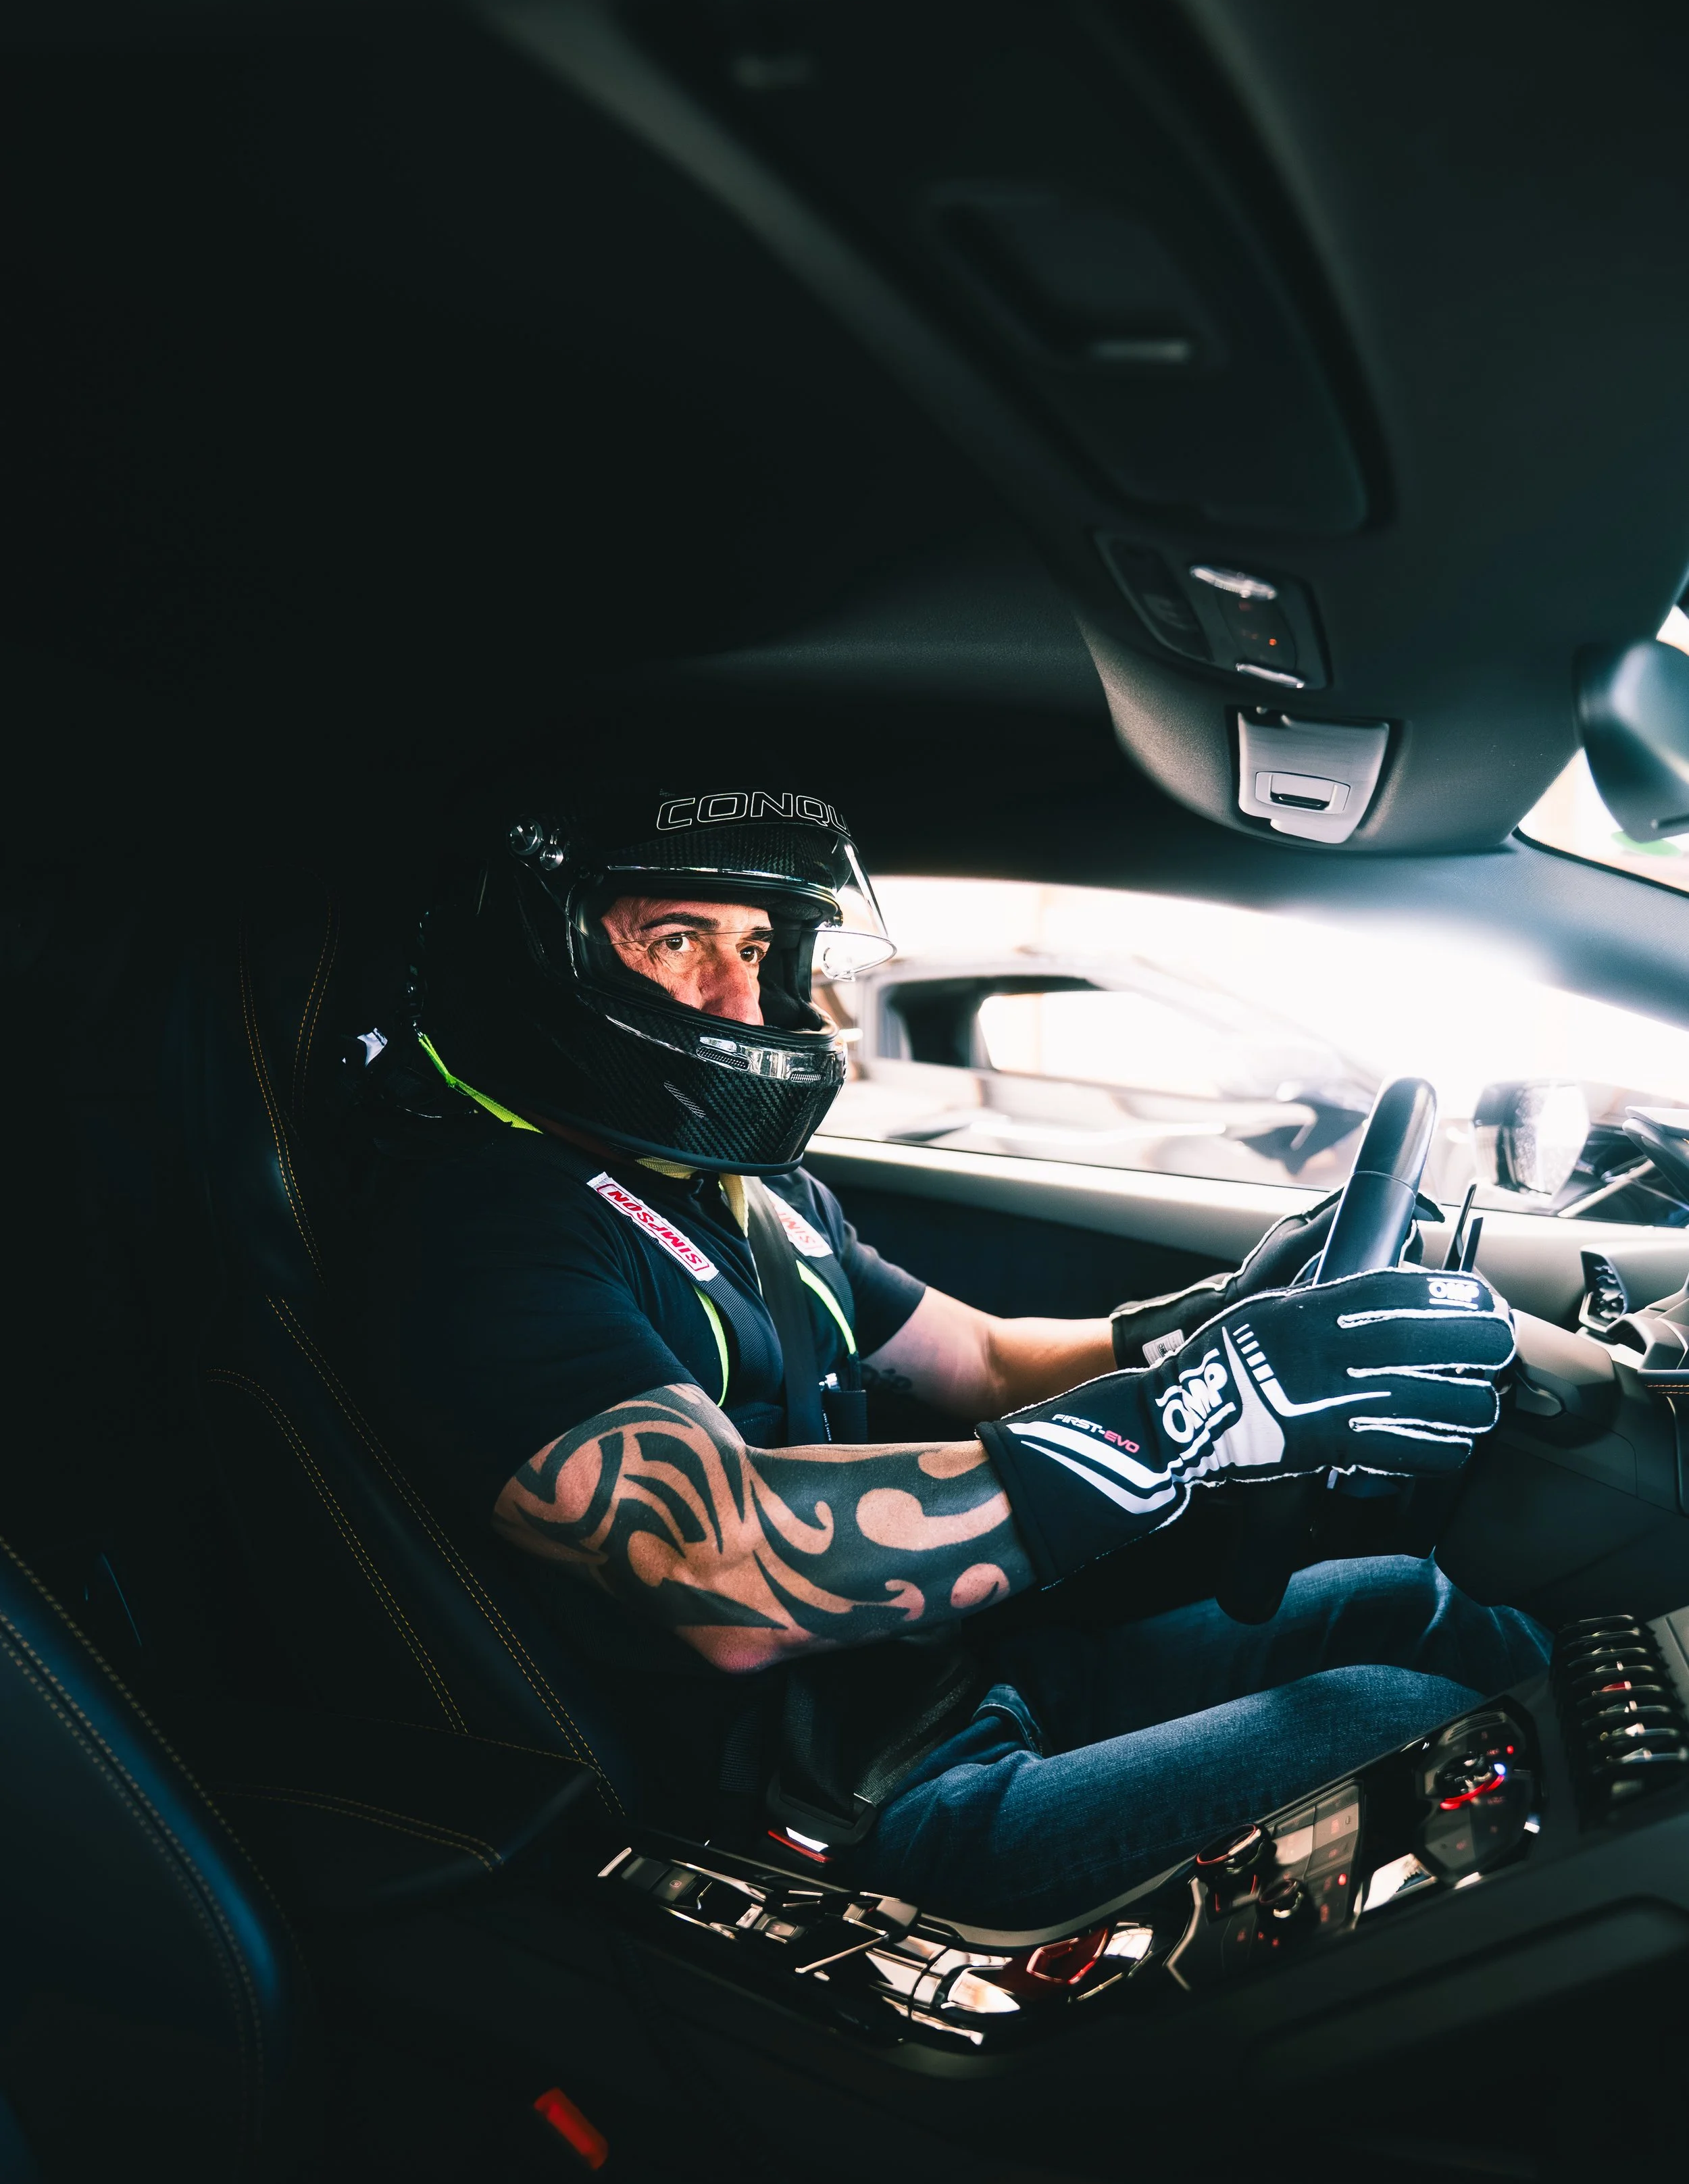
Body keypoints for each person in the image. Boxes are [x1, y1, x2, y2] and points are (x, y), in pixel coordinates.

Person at [358, 776, 1544, 1927]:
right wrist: (1187, 1416)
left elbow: (978, 1358)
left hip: (944, 1684)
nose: (741, 997)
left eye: (758, 948)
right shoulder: (491, 1227)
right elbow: (720, 1565)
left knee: (1412, 1603)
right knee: (1390, 1716)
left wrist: (1210, 1325)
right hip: (835, 1809)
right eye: (675, 941)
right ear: (542, 961)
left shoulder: (764, 1199)